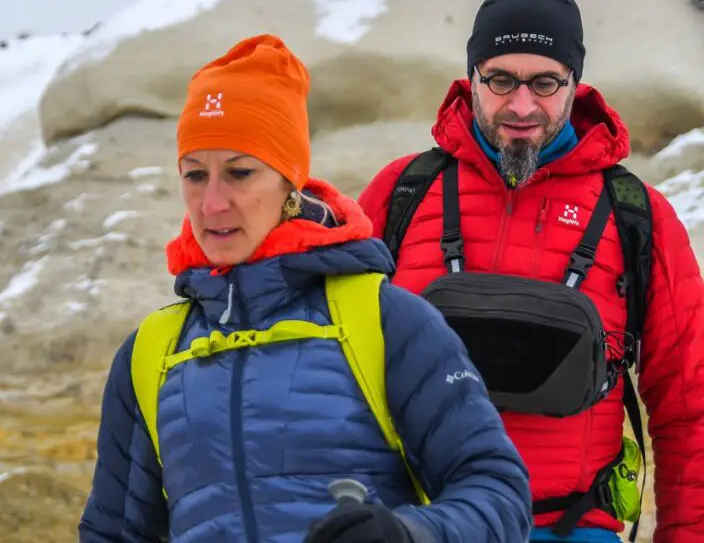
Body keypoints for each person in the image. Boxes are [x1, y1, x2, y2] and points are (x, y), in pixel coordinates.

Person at [78, 33, 532, 543]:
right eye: (195, 175)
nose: (212, 204)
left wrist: (407, 534)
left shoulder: (385, 322)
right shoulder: (149, 354)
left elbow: (499, 495)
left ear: (290, 182)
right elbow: (112, 533)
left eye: (240, 173)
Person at [358, 0, 704, 542]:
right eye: (499, 80)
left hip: (571, 526)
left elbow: (689, 406)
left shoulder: (636, 215)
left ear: (575, 82)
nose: (521, 106)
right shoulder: (402, 193)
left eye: (545, 82)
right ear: (471, 77)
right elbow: (324, 363)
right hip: (418, 525)